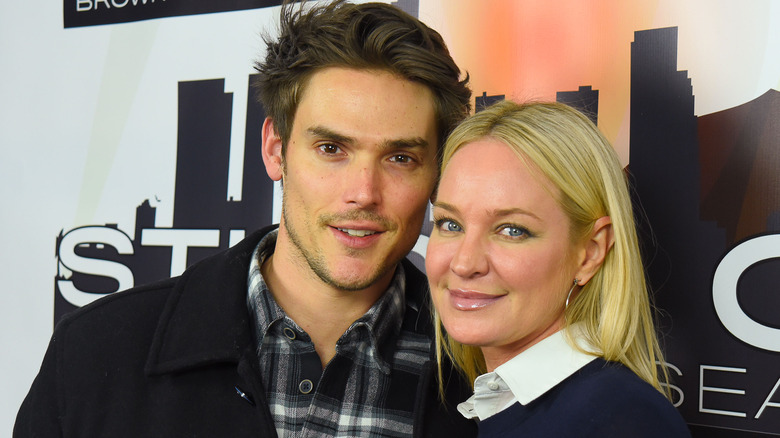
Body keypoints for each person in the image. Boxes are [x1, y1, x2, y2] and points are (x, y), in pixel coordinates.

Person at [14, 1, 475, 437]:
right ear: (276, 149)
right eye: (331, 149)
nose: (363, 193)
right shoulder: (96, 351)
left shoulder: (484, 372)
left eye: (399, 158)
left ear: (437, 173)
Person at [426, 100, 691, 437]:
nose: (464, 263)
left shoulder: (624, 422)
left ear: (590, 253)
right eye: (450, 224)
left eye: (512, 230)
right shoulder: (490, 404)